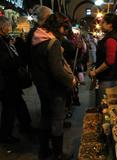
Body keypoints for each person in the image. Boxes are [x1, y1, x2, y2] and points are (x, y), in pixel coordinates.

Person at [31, 13, 75, 160]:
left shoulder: (37, 39)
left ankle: (43, 151)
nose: (64, 31)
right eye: (63, 27)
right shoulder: (53, 42)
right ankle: (58, 154)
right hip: (54, 90)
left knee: (45, 118)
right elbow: (57, 72)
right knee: (57, 120)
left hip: (42, 87)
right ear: (57, 26)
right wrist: (71, 81)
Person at [0, 16, 32, 143]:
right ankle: (5, 135)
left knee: (18, 104)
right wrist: (20, 59)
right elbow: (6, 62)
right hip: (6, 83)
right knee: (9, 109)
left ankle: (25, 125)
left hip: (11, 82)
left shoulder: (5, 40)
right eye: (8, 25)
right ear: (2, 27)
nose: (10, 27)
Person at [89, 13, 117, 102]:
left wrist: (95, 72)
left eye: (103, 22)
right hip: (111, 77)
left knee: (107, 105)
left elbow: (110, 61)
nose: (101, 24)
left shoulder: (111, 39)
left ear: (110, 24)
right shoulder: (115, 35)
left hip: (109, 79)